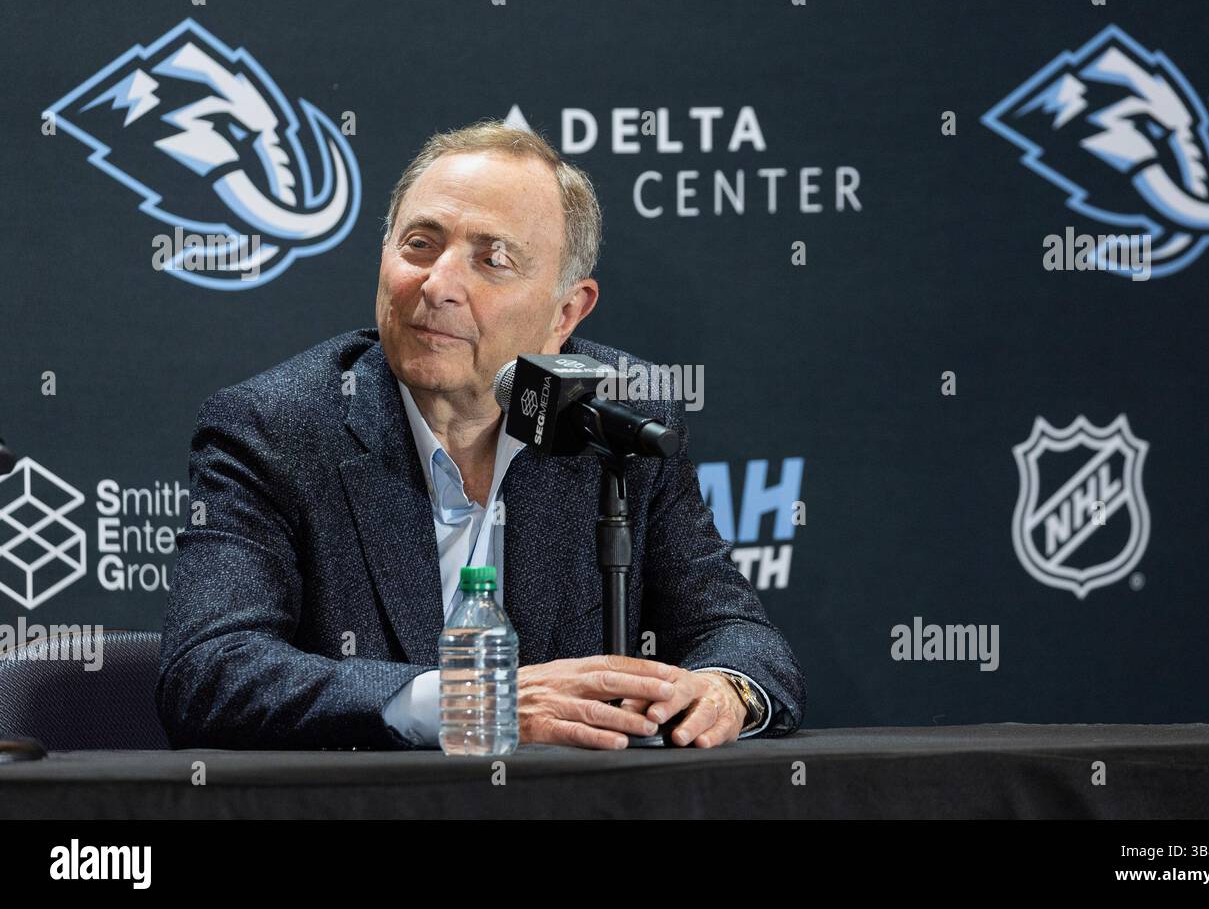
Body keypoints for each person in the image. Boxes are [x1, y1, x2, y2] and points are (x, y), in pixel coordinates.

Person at [156, 121, 805, 750]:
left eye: (492, 260)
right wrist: (473, 702)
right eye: (419, 245)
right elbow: (210, 670)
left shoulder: (618, 419)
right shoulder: (278, 427)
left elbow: (734, 632)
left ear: (566, 313)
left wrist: (723, 693)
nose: (438, 286)